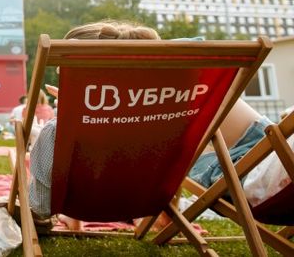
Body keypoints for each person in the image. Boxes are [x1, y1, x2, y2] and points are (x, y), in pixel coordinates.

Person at [28, 20, 287, 230]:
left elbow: (39, 205)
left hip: (263, 169)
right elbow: (192, 47)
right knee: (190, 85)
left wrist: (84, 107)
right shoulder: (162, 128)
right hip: (272, 155)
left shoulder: (58, 134)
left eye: (65, 73)